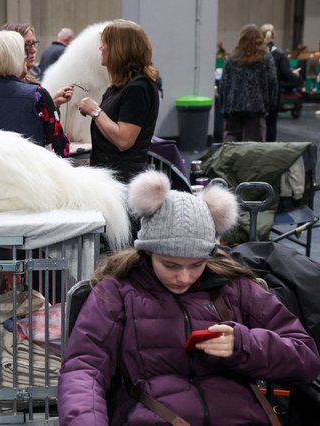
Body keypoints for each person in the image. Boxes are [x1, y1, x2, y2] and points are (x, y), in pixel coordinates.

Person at [58, 170, 320, 425]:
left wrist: (244, 344)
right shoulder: (117, 292)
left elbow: (306, 359)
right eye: (171, 265)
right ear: (147, 253)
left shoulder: (235, 288)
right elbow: (84, 371)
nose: (184, 277)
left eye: (196, 265)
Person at [77, 19, 159, 183]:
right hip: (112, 177)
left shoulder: (138, 88)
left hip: (125, 181)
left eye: (105, 43)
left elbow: (124, 140)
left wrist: (95, 111)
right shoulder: (119, 86)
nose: (101, 48)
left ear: (120, 48)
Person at [0, 30, 69, 158]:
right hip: (32, 172)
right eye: (23, 51)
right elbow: (60, 146)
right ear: (16, 57)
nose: (27, 55)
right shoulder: (37, 94)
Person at [220, 24, 278, 142]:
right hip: (257, 108)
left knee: (231, 142)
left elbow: (223, 84)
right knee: (254, 146)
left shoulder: (231, 58)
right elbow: (272, 82)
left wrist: (224, 106)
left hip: (233, 108)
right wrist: (271, 105)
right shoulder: (266, 58)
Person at [261, 23, 301, 142]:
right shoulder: (279, 54)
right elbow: (287, 76)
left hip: (256, 96)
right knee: (271, 126)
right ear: (274, 35)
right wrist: (295, 75)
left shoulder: (255, 53)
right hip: (272, 97)